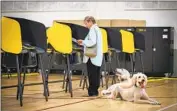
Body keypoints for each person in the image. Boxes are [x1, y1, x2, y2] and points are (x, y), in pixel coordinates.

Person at [77, 16, 103, 96]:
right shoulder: (98, 29)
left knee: (92, 75)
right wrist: (84, 42)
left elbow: (92, 42)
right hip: (97, 56)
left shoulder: (92, 29)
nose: (86, 26)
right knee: (96, 74)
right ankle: (95, 91)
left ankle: (92, 92)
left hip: (92, 56)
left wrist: (83, 41)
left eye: (86, 24)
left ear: (90, 21)